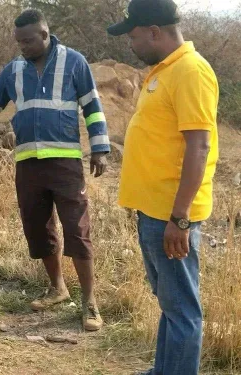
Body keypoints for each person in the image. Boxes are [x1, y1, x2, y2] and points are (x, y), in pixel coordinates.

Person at [0, 9, 110, 331]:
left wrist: (100, 148)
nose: (23, 47)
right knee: (38, 228)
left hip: (66, 163)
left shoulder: (74, 62)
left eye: (28, 41)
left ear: (45, 34)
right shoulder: (13, 70)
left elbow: (92, 106)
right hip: (28, 163)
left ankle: (89, 303)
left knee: (77, 229)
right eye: (19, 42)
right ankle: (57, 288)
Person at [107, 0, 219, 373]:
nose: (131, 44)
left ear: (154, 31)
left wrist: (181, 218)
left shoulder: (191, 71)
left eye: (134, 36)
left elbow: (199, 145)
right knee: (171, 305)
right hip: (155, 212)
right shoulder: (163, 71)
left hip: (171, 215)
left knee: (183, 310)